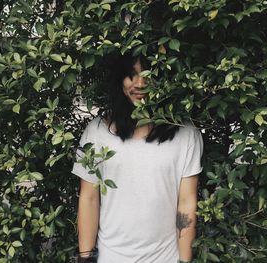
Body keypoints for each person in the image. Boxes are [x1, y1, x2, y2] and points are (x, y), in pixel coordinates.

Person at [71, 52, 203, 263]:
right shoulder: (96, 132)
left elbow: (186, 203)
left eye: (149, 75)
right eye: (131, 75)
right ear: (120, 81)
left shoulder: (186, 133)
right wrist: (85, 258)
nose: (140, 83)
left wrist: (184, 261)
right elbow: (89, 198)